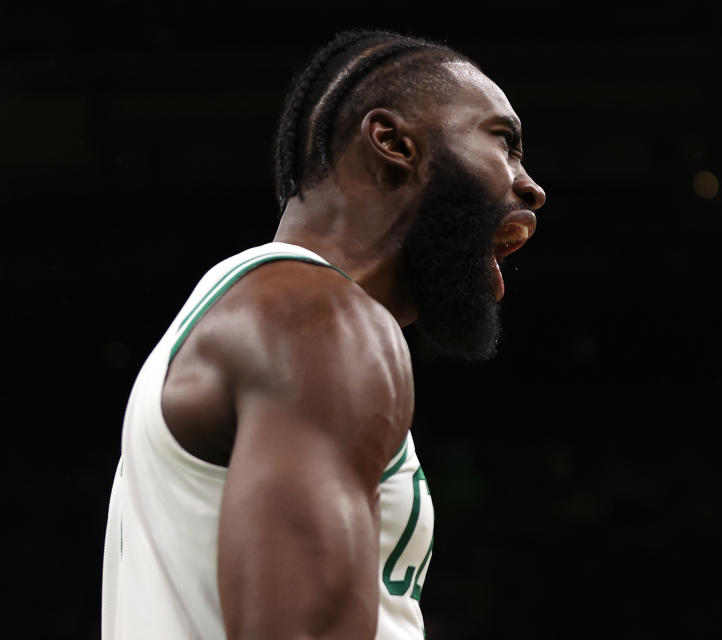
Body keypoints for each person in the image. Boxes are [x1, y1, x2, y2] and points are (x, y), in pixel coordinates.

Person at [100, 28, 546, 640]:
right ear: (393, 143)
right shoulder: (320, 323)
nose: (530, 186)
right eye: (505, 142)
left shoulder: (262, 306)